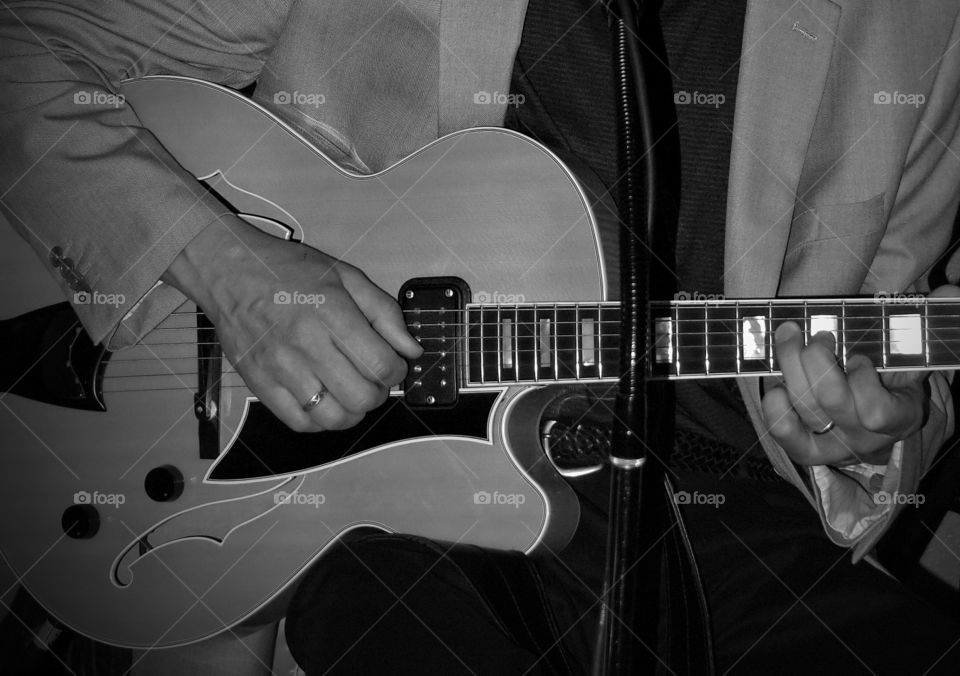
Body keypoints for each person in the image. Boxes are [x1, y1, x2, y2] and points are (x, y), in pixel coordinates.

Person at [2, 0, 960, 674]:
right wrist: (233, 269)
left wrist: (877, 428)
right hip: (403, 504)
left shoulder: (918, 24)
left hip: (731, 511)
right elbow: (25, 52)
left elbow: (894, 313)